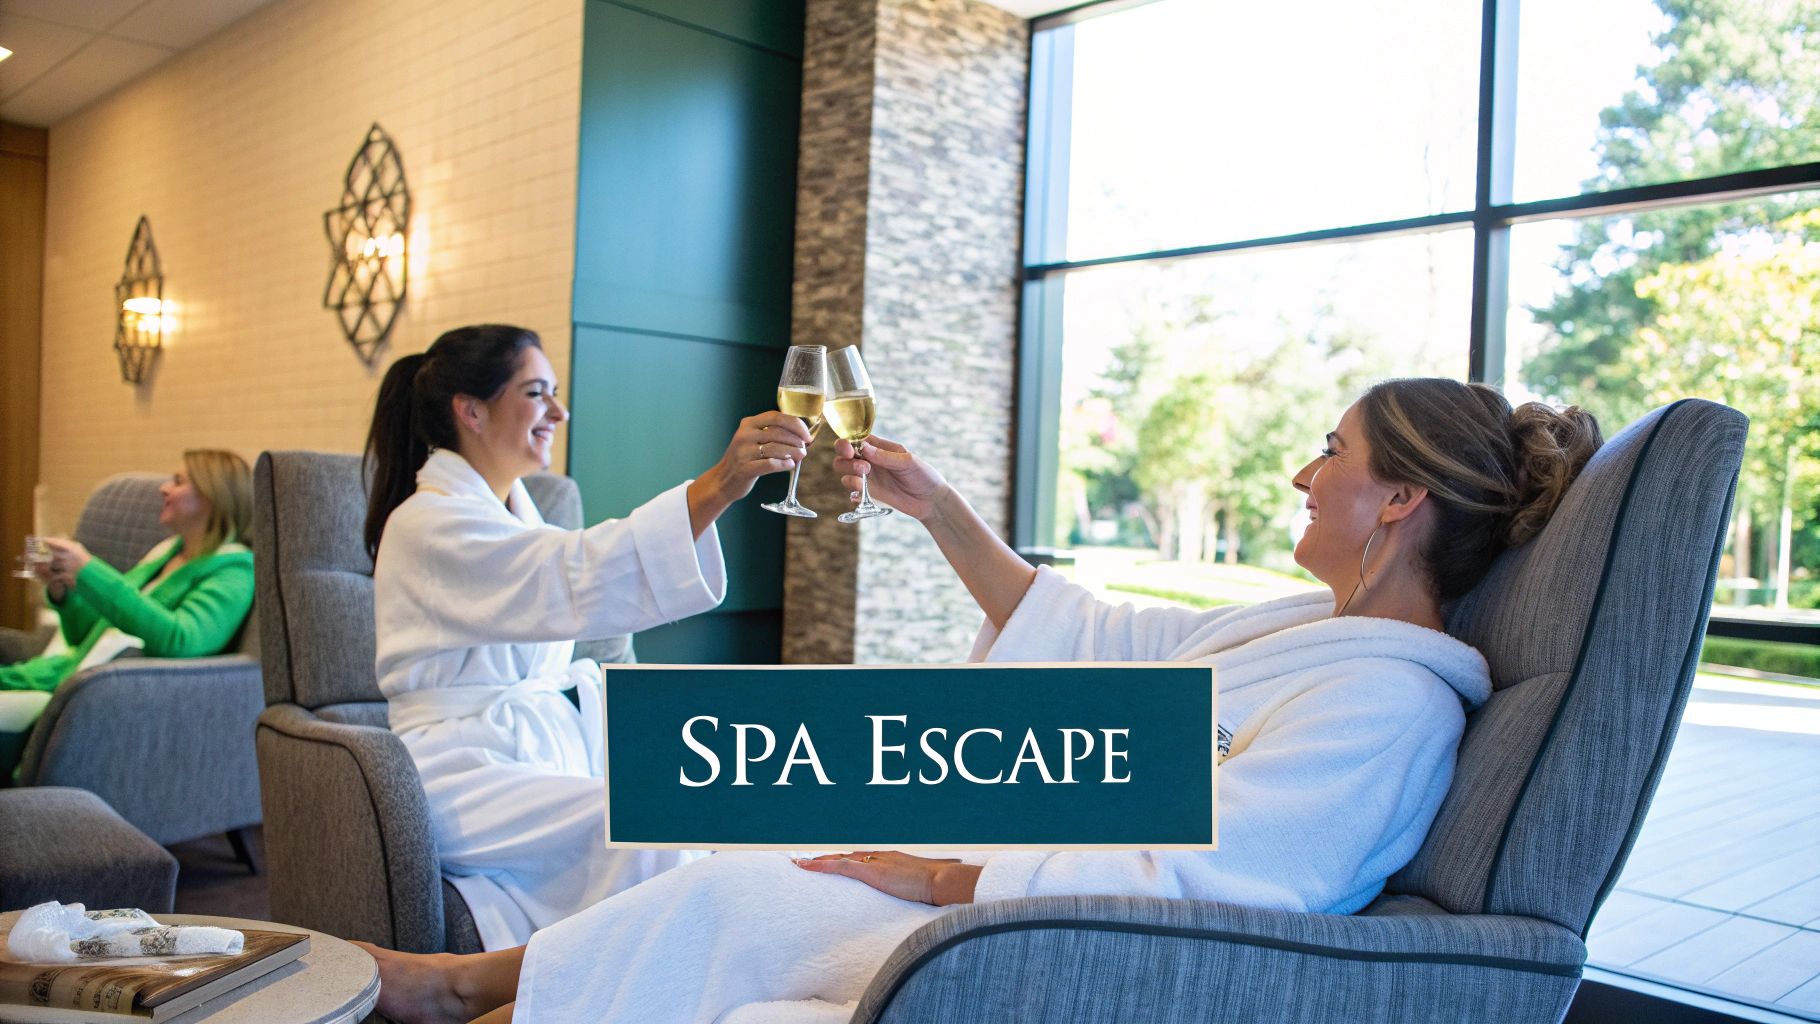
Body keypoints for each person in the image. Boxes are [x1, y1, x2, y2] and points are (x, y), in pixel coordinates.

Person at [359, 377, 1600, 1024]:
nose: (1300, 471)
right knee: (749, 834)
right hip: (1026, 879)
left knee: (743, 885)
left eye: (1331, 452)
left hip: (1063, 942)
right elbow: (1103, 636)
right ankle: (462, 987)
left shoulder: (1390, 708)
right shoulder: (1302, 632)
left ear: (1398, 501)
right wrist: (938, 507)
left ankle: (459, 990)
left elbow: (1208, 891)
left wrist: (945, 877)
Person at [362, 324, 810, 951]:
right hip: (457, 771)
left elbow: (564, 570)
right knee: (650, 835)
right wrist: (718, 485)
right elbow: (569, 575)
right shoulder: (428, 524)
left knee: (718, 809)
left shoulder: (516, 516)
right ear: (471, 410)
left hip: (536, 753)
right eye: (537, 392)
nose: (559, 411)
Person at [0, 450, 255, 781]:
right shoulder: (165, 554)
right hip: (57, 677)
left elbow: (183, 640)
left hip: (96, 703)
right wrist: (64, 591)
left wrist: (90, 571)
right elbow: (86, 637)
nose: (163, 489)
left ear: (212, 496)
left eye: (177, 482)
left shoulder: (234, 572)